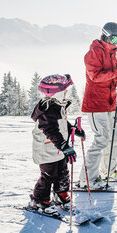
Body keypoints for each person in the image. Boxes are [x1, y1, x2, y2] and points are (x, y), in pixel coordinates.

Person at [78, 21, 117, 189]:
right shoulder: (93, 53)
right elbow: (95, 76)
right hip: (96, 103)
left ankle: (109, 170)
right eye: (114, 39)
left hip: (110, 102)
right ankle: (88, 178)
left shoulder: (116, 53)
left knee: (114, 137)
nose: (116, 43)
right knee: (101, 139)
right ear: (105, 35)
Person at [29, 74, 84, 212]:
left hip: (57, 147)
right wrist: (64, 146)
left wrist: (74, 130)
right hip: (46, 148)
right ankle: (40, 200)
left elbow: (62, 124)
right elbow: (51, 130)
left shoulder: (57, 105)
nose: (66, 93)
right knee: (49, 174)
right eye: (64, 90)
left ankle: (61, 194)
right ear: (57, 93)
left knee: (62, 171)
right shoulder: (47, 109)